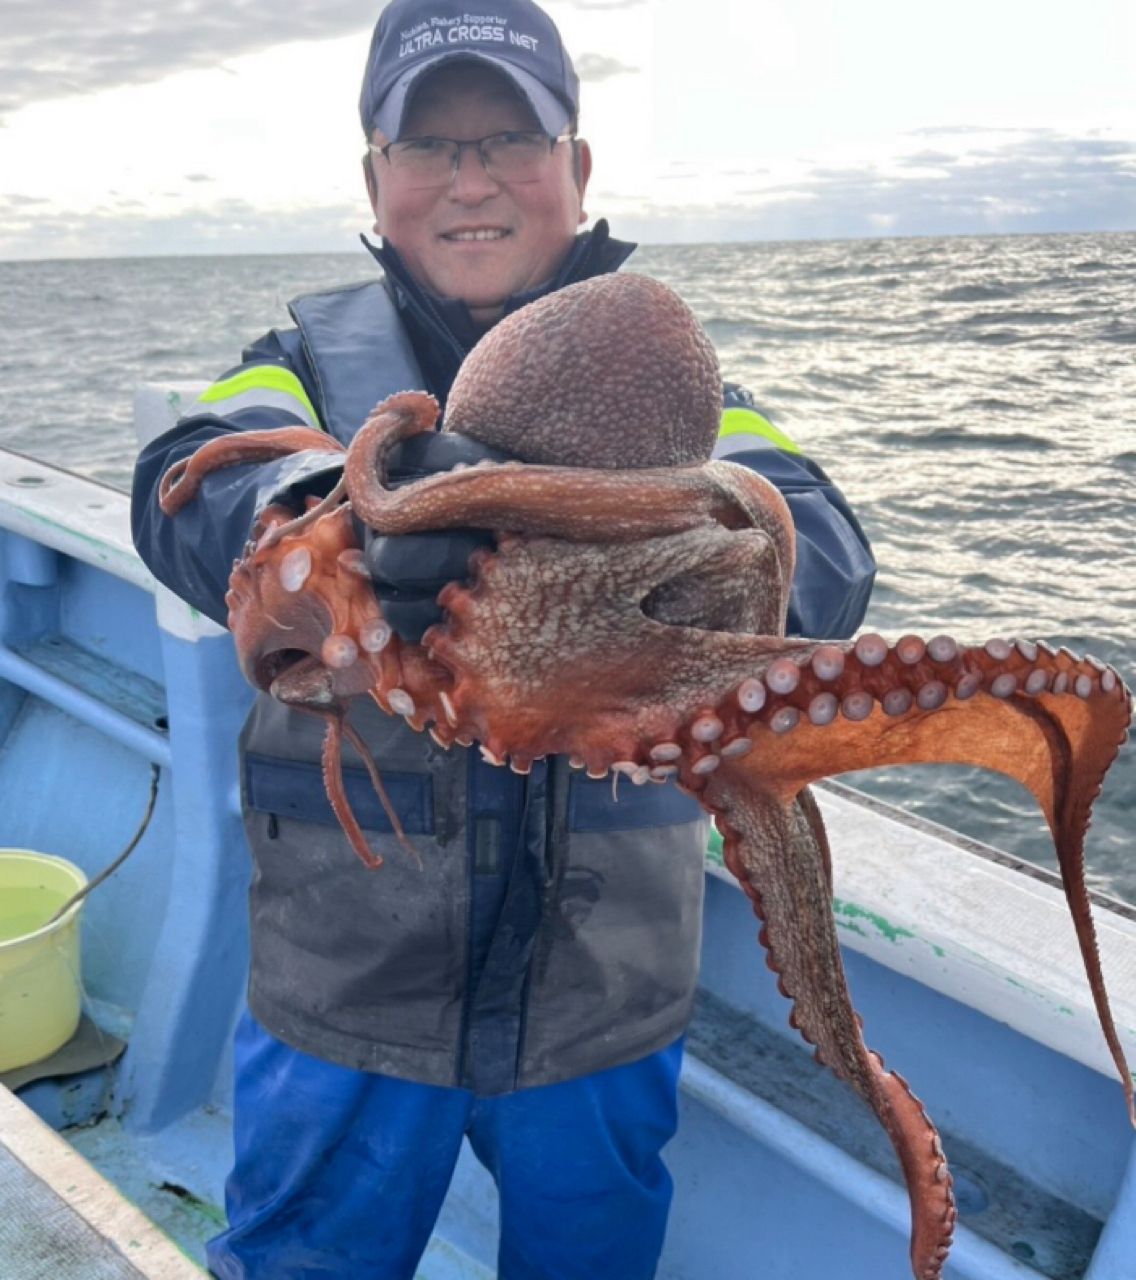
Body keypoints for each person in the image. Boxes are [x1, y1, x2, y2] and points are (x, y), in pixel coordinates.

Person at [131, 2, 876, 1276]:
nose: (468, 177)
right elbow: (186, 481)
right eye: (427, 146)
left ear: (575, 167)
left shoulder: (674, 387)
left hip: (600, 1005)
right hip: (346, 995)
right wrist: (334, 528)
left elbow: (818, 542)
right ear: (376, 177)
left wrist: (641, 560)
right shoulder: (302, 360)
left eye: (507, 137)